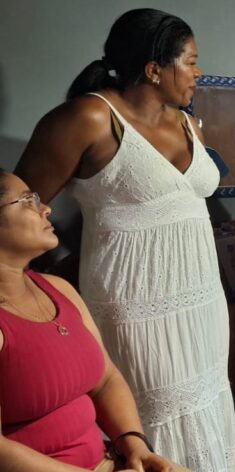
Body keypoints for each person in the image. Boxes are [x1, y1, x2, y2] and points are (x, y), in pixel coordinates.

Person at [14, 9, 235, 469]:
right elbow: (18, 211)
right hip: (136, 307)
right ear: (154, 69)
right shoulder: (90, 117)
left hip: (202, 301)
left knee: (208, 404)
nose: (198, 72)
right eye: (190, 61)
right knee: (153, 419)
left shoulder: (187, 123)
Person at [0, 170, 180, 471]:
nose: (46, 209)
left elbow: (106, 380)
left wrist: (135, 446)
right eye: (27, 201)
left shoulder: (58, 288)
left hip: (106, 460)